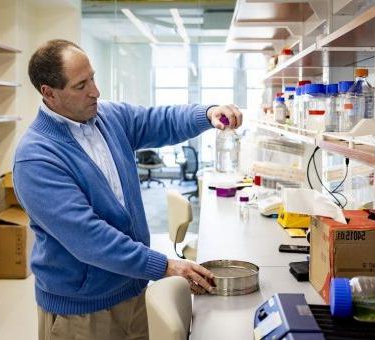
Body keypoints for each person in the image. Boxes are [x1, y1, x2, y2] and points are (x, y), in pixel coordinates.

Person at [13, 39, 243, 340]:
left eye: (93, 77)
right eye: (81, 85)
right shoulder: (37, 157)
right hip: (82, 310)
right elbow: (89, 238)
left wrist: (207, 114)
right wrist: (165, 266)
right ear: (49, 93)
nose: (95, 91)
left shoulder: (106, 117)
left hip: (133, 287)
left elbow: (160, 121)